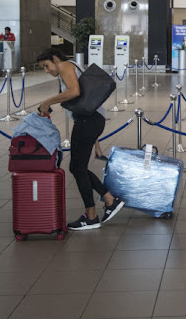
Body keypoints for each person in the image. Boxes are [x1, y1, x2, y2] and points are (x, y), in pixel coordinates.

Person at [36, 48, 124, 230]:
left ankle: (92, 216)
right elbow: (88, 103)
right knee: (78, 168)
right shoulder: (71, 67)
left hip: (87, 122)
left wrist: (47, 102)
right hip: (90, 121)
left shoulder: (65, 66)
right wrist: (96, 144)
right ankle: (109, 200)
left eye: (46, 66)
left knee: (77, 168)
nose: (47, 71)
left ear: (55, 59)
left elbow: (75, 92)